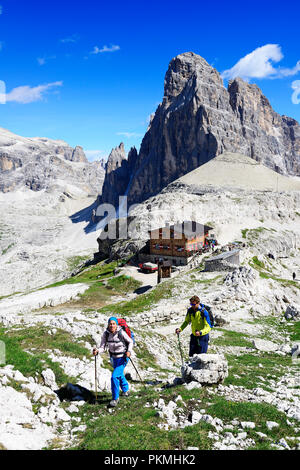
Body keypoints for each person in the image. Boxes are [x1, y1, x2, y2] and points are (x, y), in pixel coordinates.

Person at [93, 316, 133, 408]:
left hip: (123, 357)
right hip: (114, 358)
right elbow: (102, 347)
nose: (112, 325)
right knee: (119, 374)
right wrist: (98, 351)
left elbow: (130, 341)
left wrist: (129, 351)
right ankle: (126, 390)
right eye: (110, 324)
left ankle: (115, 399)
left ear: (116, 324)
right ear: (108, 324)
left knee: (114, 376)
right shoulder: (106, 334)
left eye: (113, 324)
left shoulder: (121, 332)